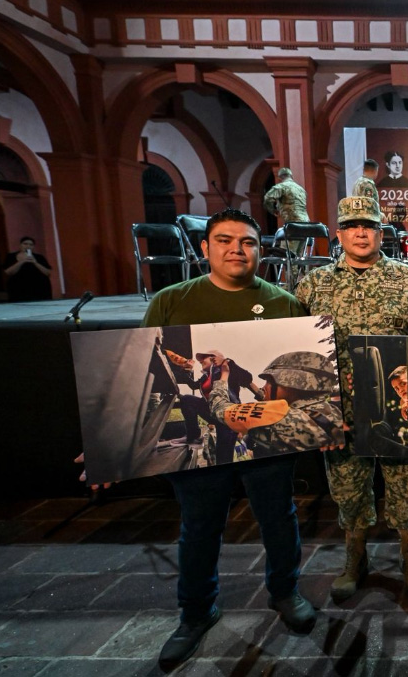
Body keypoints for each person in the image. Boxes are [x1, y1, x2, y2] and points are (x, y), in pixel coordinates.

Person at [124, 208, 317, 671]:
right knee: (199, 525)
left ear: (260, 250)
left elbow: (283, 382)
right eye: (225, 240)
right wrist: (111, 436)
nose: (237, 249)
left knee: (278, 516)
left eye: (247, 242)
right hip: (205, 440)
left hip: (262, 438)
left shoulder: (283, 302)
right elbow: (142, 376)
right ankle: (196, 612)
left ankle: (285, 591)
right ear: (205, 248)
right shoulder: (172, 301)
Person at [295, 195, 408, 600]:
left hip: (395, 404)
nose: (360, 232)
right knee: (348, 487)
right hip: (339, 409)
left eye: (368, 225)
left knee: (404, 482)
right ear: (338, 234)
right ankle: (355, 557)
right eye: (352, 226)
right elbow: (299, 350)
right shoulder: (314, 284)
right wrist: (317, 411)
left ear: (380, 233)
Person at [208, 351, 342, 460]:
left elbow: (218, 408)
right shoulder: (329, 410)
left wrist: (224, 375)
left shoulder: (278, 417)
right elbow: (273, 399)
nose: (264, 386)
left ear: (290, 383)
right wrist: (249, 384)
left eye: (269, 381)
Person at [177, 350, 265, 463]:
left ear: (214, 358)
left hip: (228, 414)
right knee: (187, 400)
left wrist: (227, 362)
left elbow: (247, 378)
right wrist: (185, 370)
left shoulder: (226, 369)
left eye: (204, 358)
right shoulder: (205, 377)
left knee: (223, 457)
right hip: (213, 411)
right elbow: (193, 385)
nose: (201, 361)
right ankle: (194, 435)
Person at [3, 236, 52, 301]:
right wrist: (22, 261)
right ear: (20, 245)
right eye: (25, 244)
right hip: (18, 288)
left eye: (31, 245)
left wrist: (35, 263)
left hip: (38, 288)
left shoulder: (39, 257)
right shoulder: (11, 256)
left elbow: (48, 272)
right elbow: (8, 272)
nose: (28, 246)